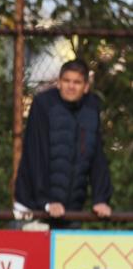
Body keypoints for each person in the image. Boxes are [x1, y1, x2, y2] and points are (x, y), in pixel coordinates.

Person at [14, 59, 112, 227]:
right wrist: (46, 202)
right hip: (33, 208)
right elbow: (36, 155)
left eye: (77, 82)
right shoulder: (43, 105)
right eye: (66, 81)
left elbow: (97, 157)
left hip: (70, 211)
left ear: (86, 87)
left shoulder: (91, 108)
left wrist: (100, 198)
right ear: (59, 83)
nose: (71, 86)